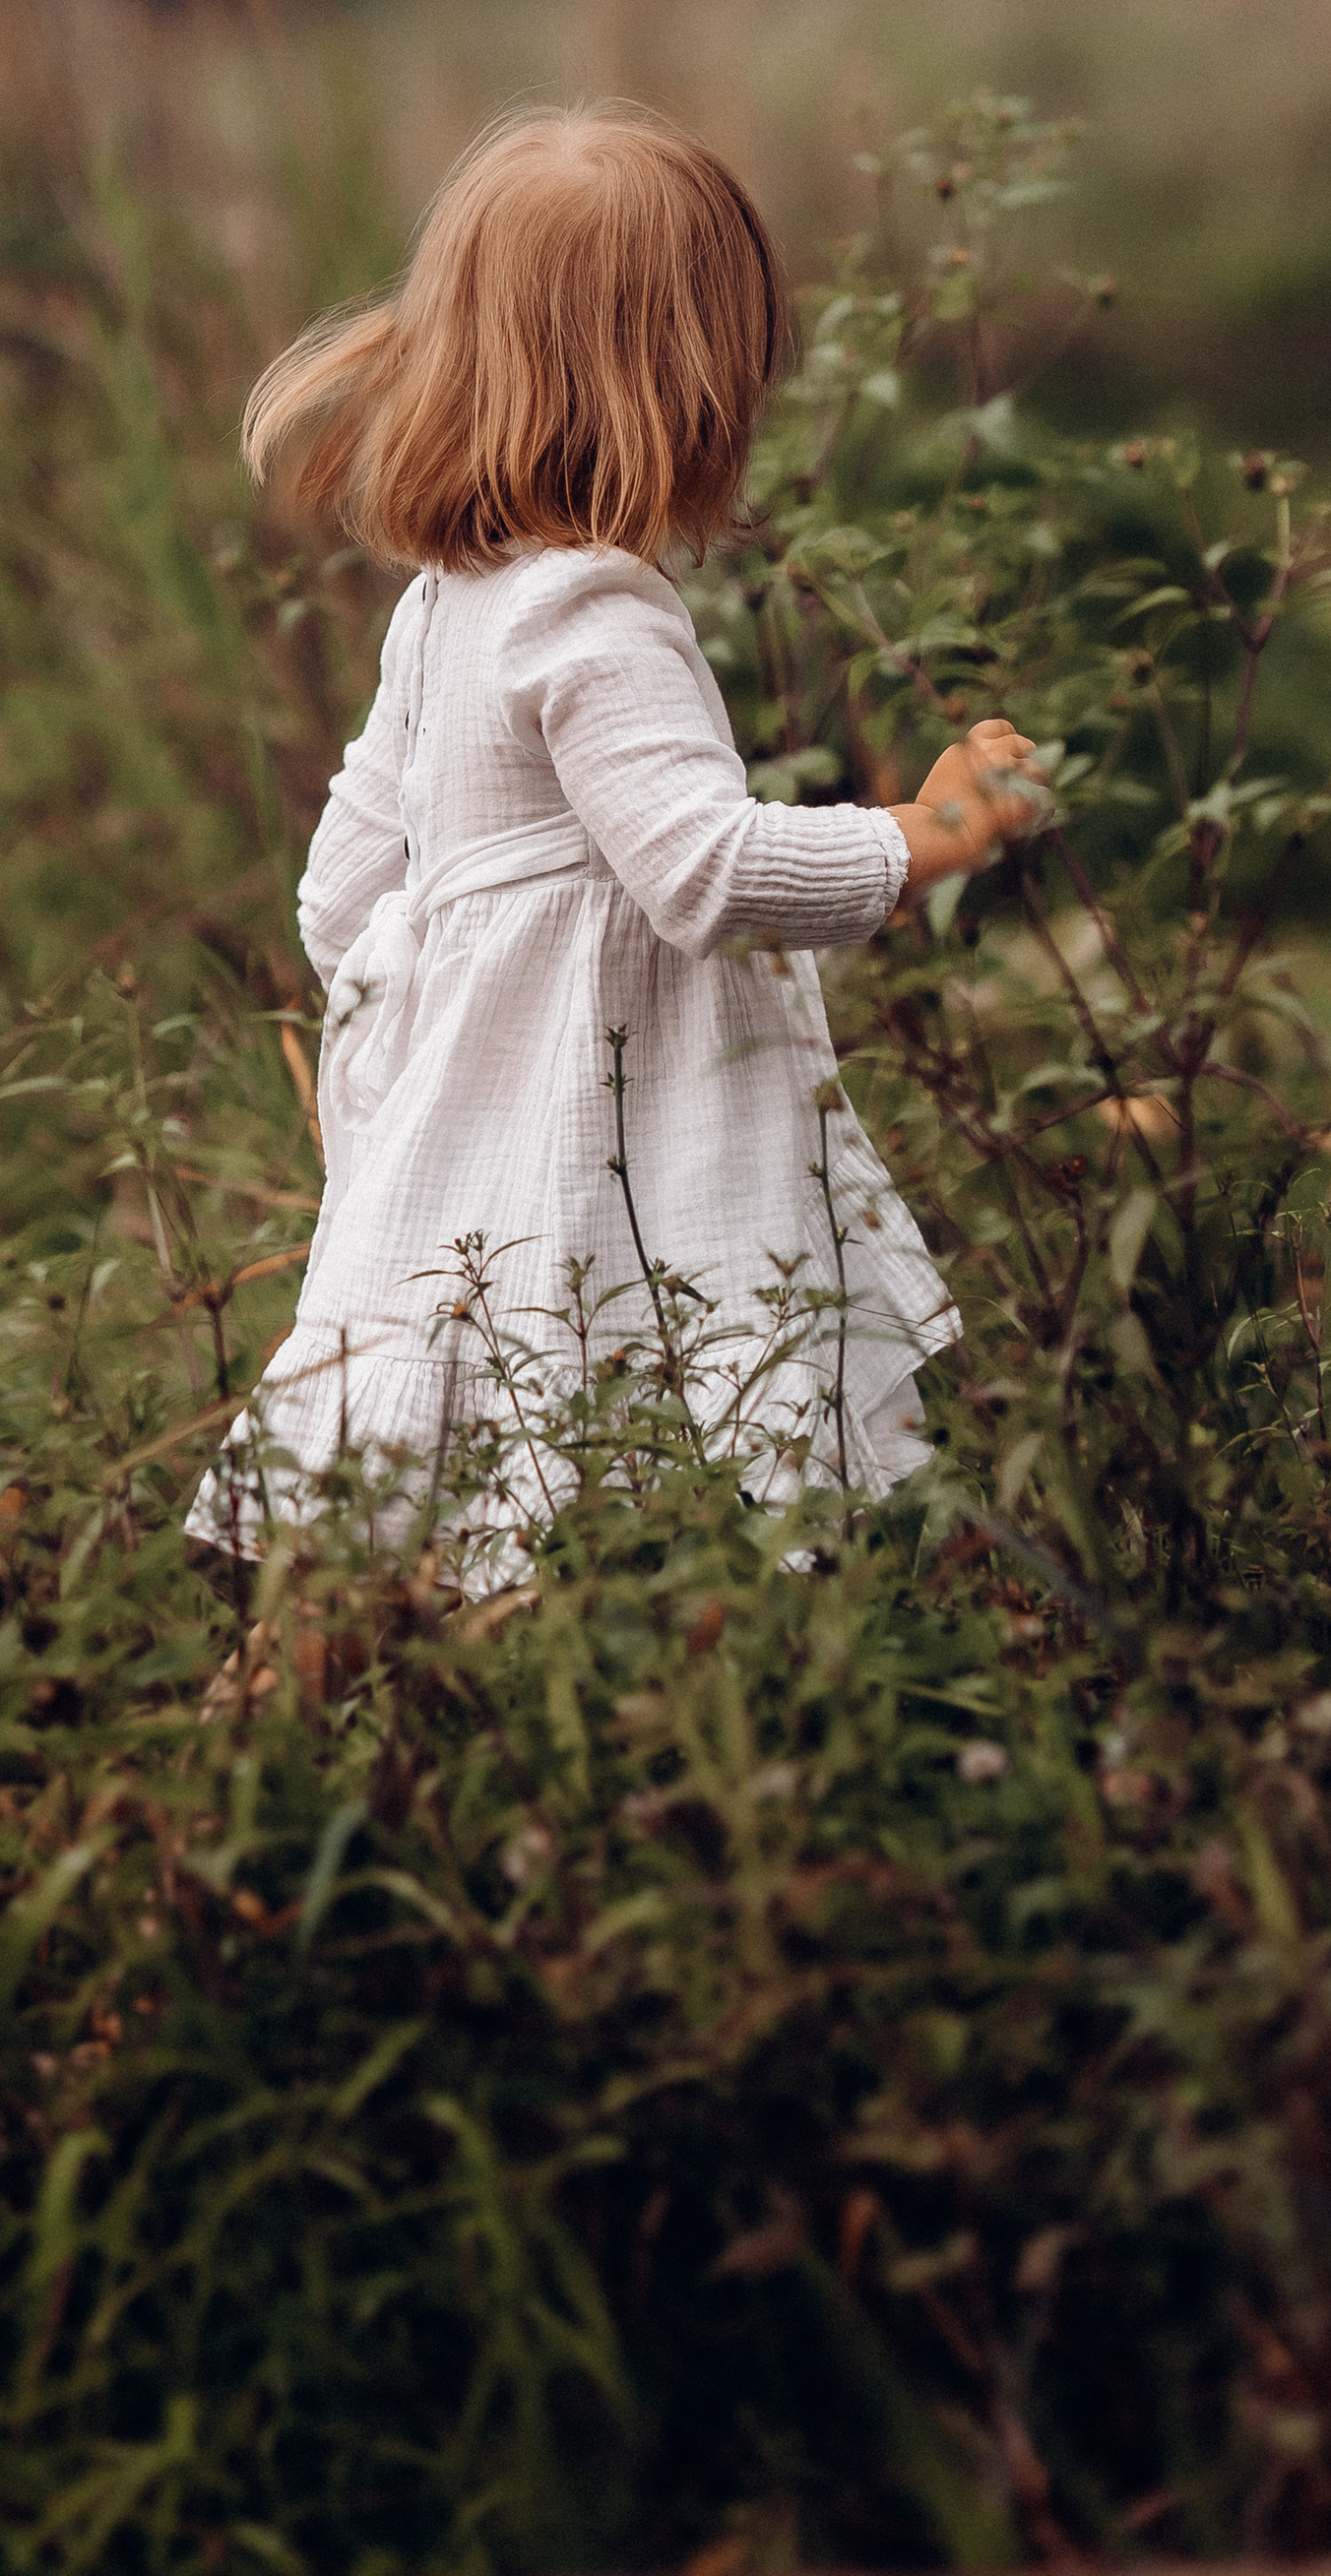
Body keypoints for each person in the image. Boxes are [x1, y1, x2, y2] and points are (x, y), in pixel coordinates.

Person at [188, 104, 1046, 1584]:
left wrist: (441, 1043)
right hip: (617, 1127)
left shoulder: (445, 607)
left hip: (463, 1131)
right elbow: (704, 872)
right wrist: (931, 833)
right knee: (687, 1385)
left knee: (458, 1454)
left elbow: (341, 895)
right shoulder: (595, 610)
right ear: (693, 383)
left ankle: (317, 1720)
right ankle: (733, 1687)